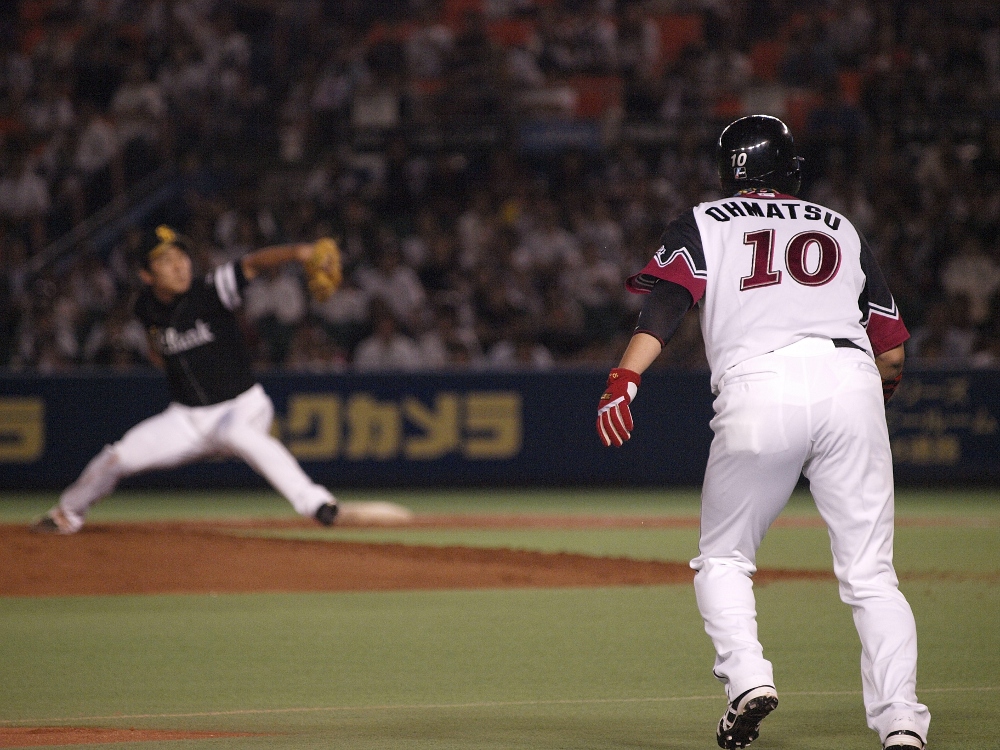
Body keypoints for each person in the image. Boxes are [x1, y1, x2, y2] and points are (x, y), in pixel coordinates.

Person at [596, 115, 928, 750]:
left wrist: (625, 377)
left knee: (723, 556)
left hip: (758, 387)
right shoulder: (841, 227)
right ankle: (902, 725)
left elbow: (667, 301)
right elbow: (892, 355)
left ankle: (748, 678)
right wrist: (864, 397)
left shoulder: (704, 221)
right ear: (786, 169)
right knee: (871, 575)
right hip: (849, 377)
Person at [33, 225, 339, 534]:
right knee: (118, 456)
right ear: (146, 275)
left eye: (182, 256)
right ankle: (67, 514)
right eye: (166, 260)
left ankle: (316, 503)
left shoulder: (210, 291)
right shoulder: (145, 307)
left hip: (241, 406)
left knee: (238, 433)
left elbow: (252, 263)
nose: (180, 265)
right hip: (186, 419)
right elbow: (157, 347)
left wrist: (300, 252)